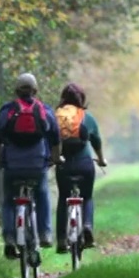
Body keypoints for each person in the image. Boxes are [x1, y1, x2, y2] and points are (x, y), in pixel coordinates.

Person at [0, 72, 60, 259]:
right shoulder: (44, 110)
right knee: (42, 193)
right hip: (37, 164)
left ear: (16, 91)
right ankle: (45, 233)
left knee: (9, 200)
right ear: (35, 90)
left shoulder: (7, 110)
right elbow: (55, 138)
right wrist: (55, 159)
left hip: (13, 166)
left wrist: (0, 159)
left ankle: (9, 236)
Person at [53, 83, 107, 253]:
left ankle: (62, 239)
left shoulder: (56, 117)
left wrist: (52, 158)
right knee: (87, 197)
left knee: (63, 198)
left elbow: (50, 141)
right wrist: (101, 159)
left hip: (64, 165)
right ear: (81, 99)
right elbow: (96, 141)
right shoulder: (87, 118)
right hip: (85, 165)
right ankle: (87, 226)